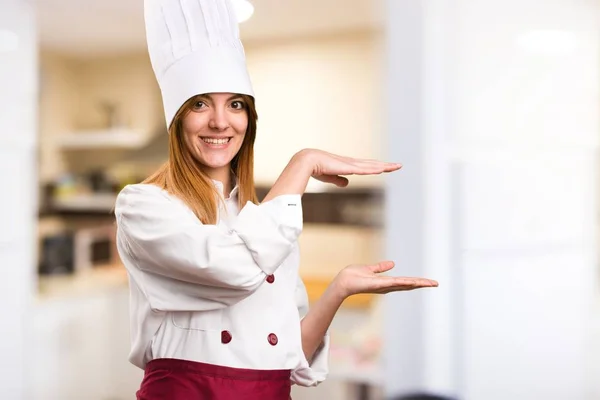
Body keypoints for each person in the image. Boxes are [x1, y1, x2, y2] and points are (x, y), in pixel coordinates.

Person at [114, 1, 439, 399]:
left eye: (235, 104)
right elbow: (233, 269)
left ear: (249, 120)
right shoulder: (144, 205)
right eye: (200, 103)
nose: (220, 121)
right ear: (177, 118)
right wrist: (302, 165)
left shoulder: (265, 221)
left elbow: (289, 358)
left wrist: (339, 288)